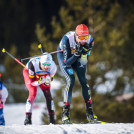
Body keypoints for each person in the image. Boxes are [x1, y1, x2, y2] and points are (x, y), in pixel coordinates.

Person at [57, 24, 100, 124]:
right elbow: (67, 62)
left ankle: (90, 113)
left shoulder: (90, 41)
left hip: (78, 57)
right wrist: (76, 54)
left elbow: (84, 62)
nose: (83, 40)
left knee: (83, 81)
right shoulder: (67, 39)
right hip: (65, 57)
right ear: (76, 36)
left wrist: (84, 53)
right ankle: (65, 114)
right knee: (71, 80)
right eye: (81, 37)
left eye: (85, 37)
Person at [23, 54, 57, 125]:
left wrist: (47, 82)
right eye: (44, 64)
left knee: (48, 94)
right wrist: (39, 81)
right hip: (29, 73)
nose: (46, 67)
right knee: (33, 92)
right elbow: (32, 83)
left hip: (42, 75)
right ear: (40, 62)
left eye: (48, 64)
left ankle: (52, 119)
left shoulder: (53, 66)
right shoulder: (32, 64)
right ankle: (28, 118)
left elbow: (47, 84)